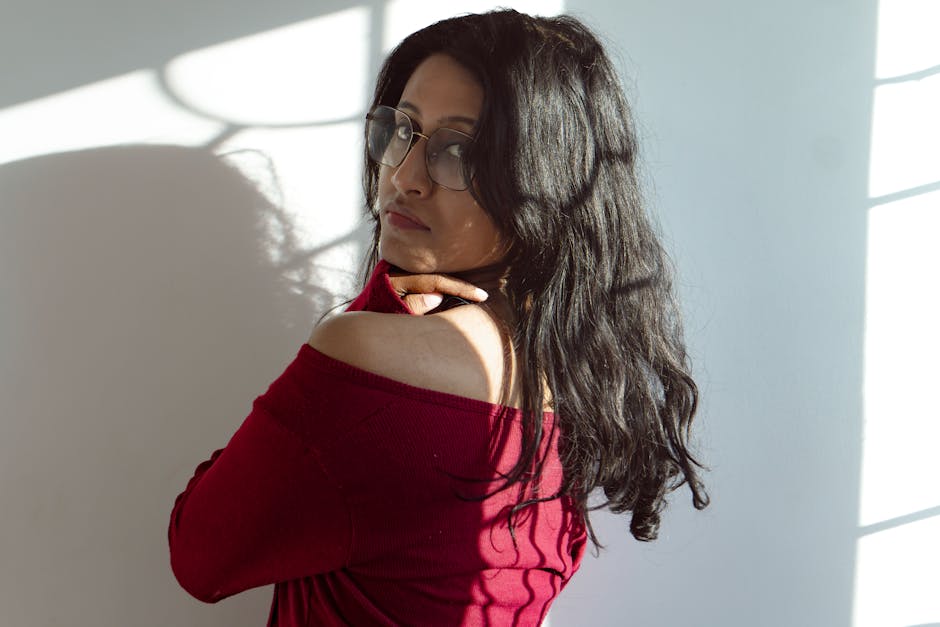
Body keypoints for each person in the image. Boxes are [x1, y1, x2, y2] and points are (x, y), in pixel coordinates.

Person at [169, 9, 708, 626]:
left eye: (459, 150)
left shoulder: (365, 357)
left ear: (544, 179)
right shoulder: (582, 376)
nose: (403, 175)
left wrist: (371, 310)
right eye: (403, 129)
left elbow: (200, 555)